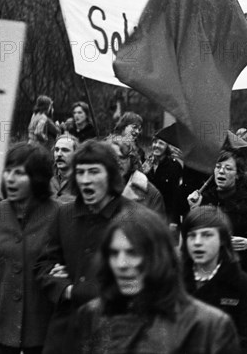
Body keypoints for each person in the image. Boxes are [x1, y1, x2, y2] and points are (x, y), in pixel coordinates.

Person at [68, 206, 240, 354]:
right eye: (114, 253)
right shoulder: (91, 315)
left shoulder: (208, 326)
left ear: (159, 256)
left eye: (133, 252)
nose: (121, 264)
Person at [35, 140, 151, 354]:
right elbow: (44, 265)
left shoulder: (135, 217)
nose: (86, 180)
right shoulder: (64, 214)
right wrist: (65, 290)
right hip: (66, 335)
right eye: (80, 173)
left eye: (94, 172)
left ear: (110, 175)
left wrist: (82, 290)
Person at [0, 143, 59, 354]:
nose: (11, 179)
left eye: (19, 173)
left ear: (37, 178)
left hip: (45, 333)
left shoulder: (60, 214)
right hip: (2, 330)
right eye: (8, 172)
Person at [181, 206, 247, 353]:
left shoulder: (242, 286)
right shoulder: (172, 280)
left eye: (207, 235)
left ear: (222, 240)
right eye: (192, 235)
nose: (197, 242)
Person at [187, 150, 247, 281]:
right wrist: (194, 209)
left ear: (238, 174)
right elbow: (192, 238)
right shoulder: (205, 198)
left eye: (228, 168)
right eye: (218, 167)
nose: (221, 171)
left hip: (240, 273)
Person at [106, 137, 165, 215]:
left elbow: (157, 225)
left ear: (131, 159)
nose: (118, 163)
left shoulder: (151, 194)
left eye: (122, 158)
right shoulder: (96, 188)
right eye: (112, 158)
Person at [143, 136, 184, 225]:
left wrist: (173, 221)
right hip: (147, 215)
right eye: (155, 142)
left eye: (161, 143)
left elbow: (176, 196)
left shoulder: (174, 166)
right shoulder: (146, 163)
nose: (156, 145)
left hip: (165, 217)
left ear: (167, 147)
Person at [51, 134, 79, 203]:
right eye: (56, 150)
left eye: (65, 150)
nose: (59, 154)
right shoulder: (45, 175)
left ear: (76, 154)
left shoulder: (81, 179)